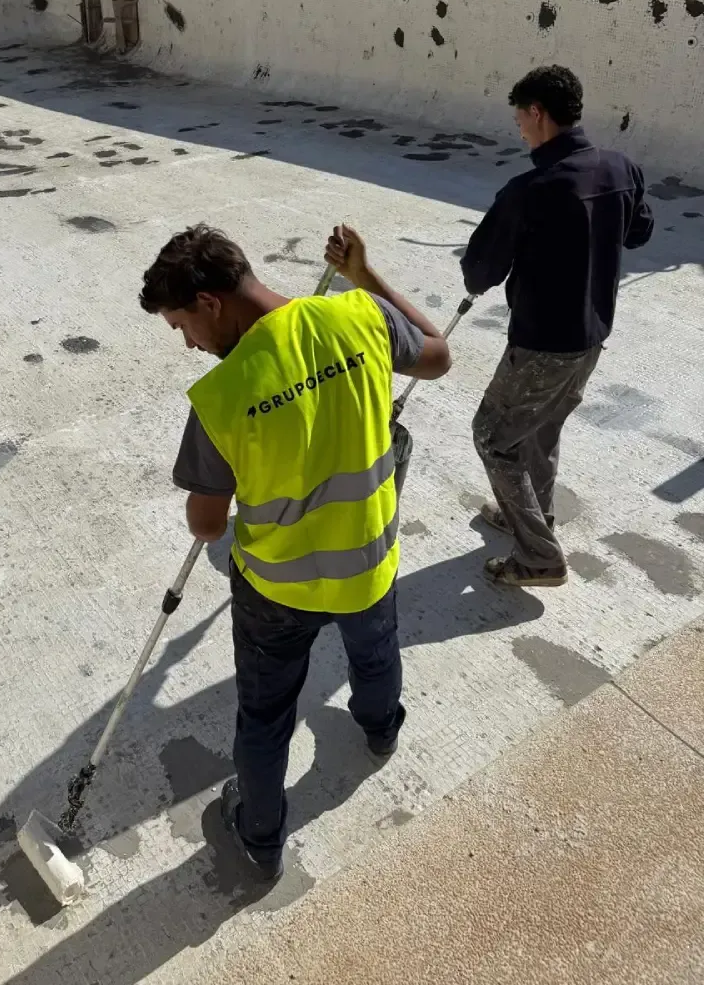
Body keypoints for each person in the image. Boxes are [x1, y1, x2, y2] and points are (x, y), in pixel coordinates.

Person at [139, 223, 451, 883]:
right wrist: (367, 276)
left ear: (209, 302)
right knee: (375, 653)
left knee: (265, 715)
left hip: (277, 591)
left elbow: (205, 523)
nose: (188, 344)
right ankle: (380, 727)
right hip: (368, 559)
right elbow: (437, 354)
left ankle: (260, 839)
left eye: (181, 327)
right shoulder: (359, 315)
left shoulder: (221, 397)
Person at [461, 65, 654, 588]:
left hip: (541, 344)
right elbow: (640, 232)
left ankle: (539, 556)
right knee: (540, 429)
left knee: (492, 436)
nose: (520, 128)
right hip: (591, 338)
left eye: (521, 118)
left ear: (537, 114)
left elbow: (479, 270)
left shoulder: (529, 191)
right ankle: (531, 514)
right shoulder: (621, 168)